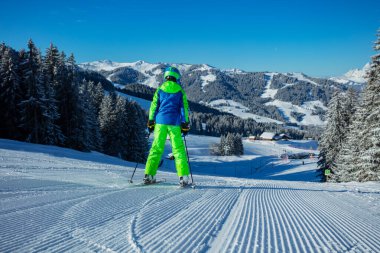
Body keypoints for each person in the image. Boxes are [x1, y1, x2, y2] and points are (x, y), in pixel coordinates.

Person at [144, 66, 190, 186]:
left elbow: (154, 106)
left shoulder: (160, 89)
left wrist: (150, 121)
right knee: (178, 150)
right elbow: (184, 109)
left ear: (166, 76)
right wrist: (185, 124)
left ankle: (149, 175)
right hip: (174, 123)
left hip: (160, 123)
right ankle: (183, 177)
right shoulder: (180, 91)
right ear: (177, 77)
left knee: (156, 148)